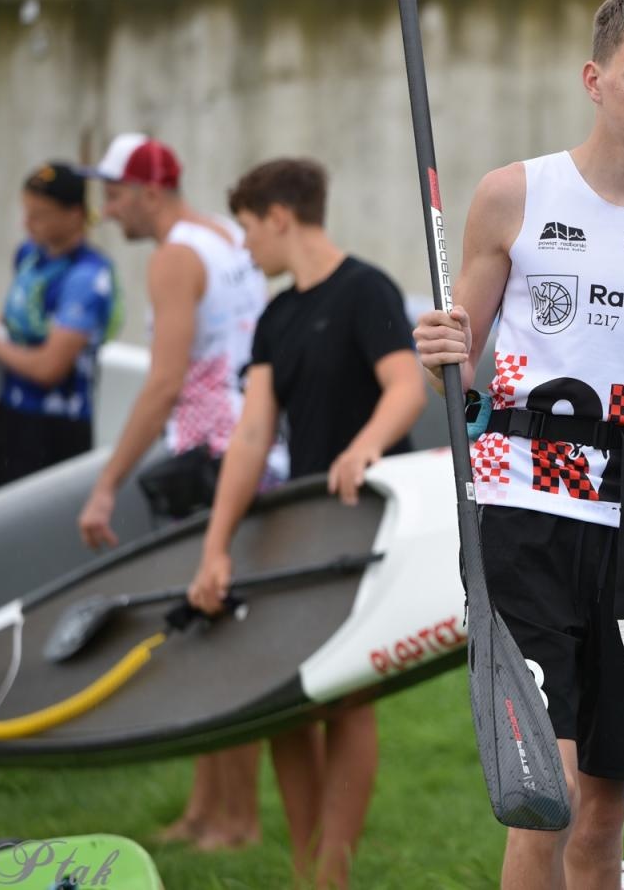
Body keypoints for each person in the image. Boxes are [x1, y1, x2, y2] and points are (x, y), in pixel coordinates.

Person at [413, 0, 624, 890]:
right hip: (521, 518)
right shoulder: (513, 196)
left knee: (602, 816)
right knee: (548, 793)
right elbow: (461, 359)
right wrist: (440, 346)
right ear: (594, 78)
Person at [187, 158, 426, 890]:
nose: (245, 247)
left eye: (249, 229)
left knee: (347, 699)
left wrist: (364, 447)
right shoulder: (276, 316)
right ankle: (306, 870)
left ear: (280, 217)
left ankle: (333, 874)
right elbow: (253, 437)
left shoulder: (367, 289)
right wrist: (215, 547)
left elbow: (407, 385)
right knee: (287, 701)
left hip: (370, 523)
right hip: (303, 524)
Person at [79, 132, 275, 852]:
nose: (107, 209)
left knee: (217, 640)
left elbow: (164, 385)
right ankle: (205, 811)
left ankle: (237, 823)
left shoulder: (172, 258)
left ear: (148, 192)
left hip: (207, 454)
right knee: (209, 634)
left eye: (115, 192)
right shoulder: (223, 234)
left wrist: (106, 486)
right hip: (248, 446)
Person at [0, 162, 121, 504]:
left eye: (40, 215)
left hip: (54, 428)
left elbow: (49, 368)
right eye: (27, 212)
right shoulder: (29, 255)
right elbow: (14, 320)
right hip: (9, 412)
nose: (27, 224)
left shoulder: (88, 276)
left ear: (74, 215)